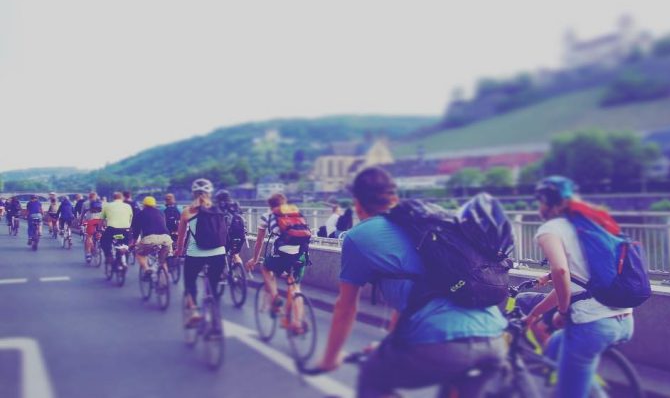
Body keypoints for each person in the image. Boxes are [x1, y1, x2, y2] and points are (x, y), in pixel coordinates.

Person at [312, 167, 507, 397]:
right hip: (495, 338)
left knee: (372, 378)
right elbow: (414, 298)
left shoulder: (359, 237)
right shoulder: (431, 224)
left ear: (357, 203)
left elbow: (345, 308)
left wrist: (330, 359)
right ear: (394, 197)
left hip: (442, 344)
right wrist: (391, 345)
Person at [525, 176, 634, 398]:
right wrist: (538, 312)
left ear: (546, 201)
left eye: (540, 201)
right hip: (625, 321)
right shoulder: (591, 225)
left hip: (592, 326)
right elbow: (574, 281)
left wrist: (563, 311)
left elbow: (560, 272)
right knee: (556, 344)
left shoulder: (551, 229)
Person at [246, 193, 309, 331]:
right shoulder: (296, 213)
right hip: (301, 254)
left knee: (265, 267)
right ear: (285, 202)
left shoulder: (267, 216)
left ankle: (275, 298)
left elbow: (259, 241)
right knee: (294, 287)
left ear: (270, 205)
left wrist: (255, 259)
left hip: (282, 255)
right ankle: (297, 323)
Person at [175, 178, 226, 327]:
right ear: (210, 193)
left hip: (195, 254)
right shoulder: (217, 209)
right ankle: (215, 316)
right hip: (218, 254)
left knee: (190, 282)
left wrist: (179, 250)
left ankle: (194, 310)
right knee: (213, 285)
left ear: (193, 193)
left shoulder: (187, 211)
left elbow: (181, 236)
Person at [132, 196, 173, 280]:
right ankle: (166, 278)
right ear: (154, 204)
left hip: (150, 239)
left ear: (144, 205)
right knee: (162, 260)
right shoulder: (161, 213)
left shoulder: (140, 214)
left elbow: (136, 230)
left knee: (139, 253)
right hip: (166, 239)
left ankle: (147, 270)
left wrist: (133, 242)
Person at [101, 192, 134, 266]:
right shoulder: (128, 206)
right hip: (125, 230)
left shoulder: (107, 206)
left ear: (113, 198)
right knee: (125, 241)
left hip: (112, 230)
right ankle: (124, 251)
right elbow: (130, 219)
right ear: (122, 198)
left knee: (104, 241)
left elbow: (102, 219)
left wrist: (99, 229)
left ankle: (109, 255)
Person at [215, 189, 246, 266]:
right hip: (241, 235)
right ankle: (239, 268)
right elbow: (241, 214)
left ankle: (221, 273)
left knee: (220, 254)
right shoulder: (235, 204)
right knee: (236, 254)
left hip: (226, 236)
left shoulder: (218, 206)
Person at [82, 192, 104, 263]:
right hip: (100, 221)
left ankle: (88, 254)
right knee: (99, 234)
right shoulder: (101, 203)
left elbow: (82, 214)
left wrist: (80, 221)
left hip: (91, 221)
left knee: (89, 237)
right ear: (96, 196)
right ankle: (99, 245)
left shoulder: (86, 203)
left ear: (89, 197)